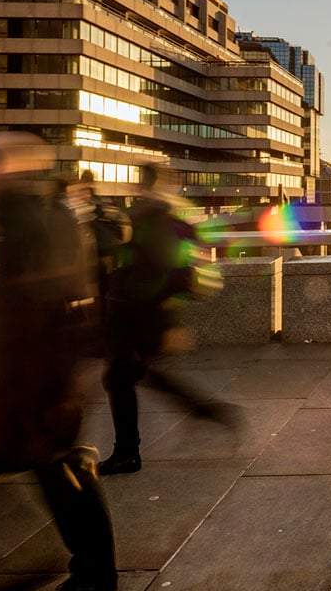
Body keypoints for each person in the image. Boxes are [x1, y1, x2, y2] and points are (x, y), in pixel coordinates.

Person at [0, 133, 117, 591]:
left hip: (42, 368)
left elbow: (40, 301)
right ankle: (92, 569)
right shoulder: (44, 213)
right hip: (49, 365)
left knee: (59, 468)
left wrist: (43, 381)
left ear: (5, 168)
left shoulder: (27, 219)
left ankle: (93, 574)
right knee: (61, 464)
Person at [97, 164, 233, 476]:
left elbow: (166, 267)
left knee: (120, 378)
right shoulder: (172, 216)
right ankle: (201, 409)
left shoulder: (149, 216)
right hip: (146, 312)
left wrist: (168, 318)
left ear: (145, 185)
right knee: (138, 374)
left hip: (135, 313)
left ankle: (127, 452)